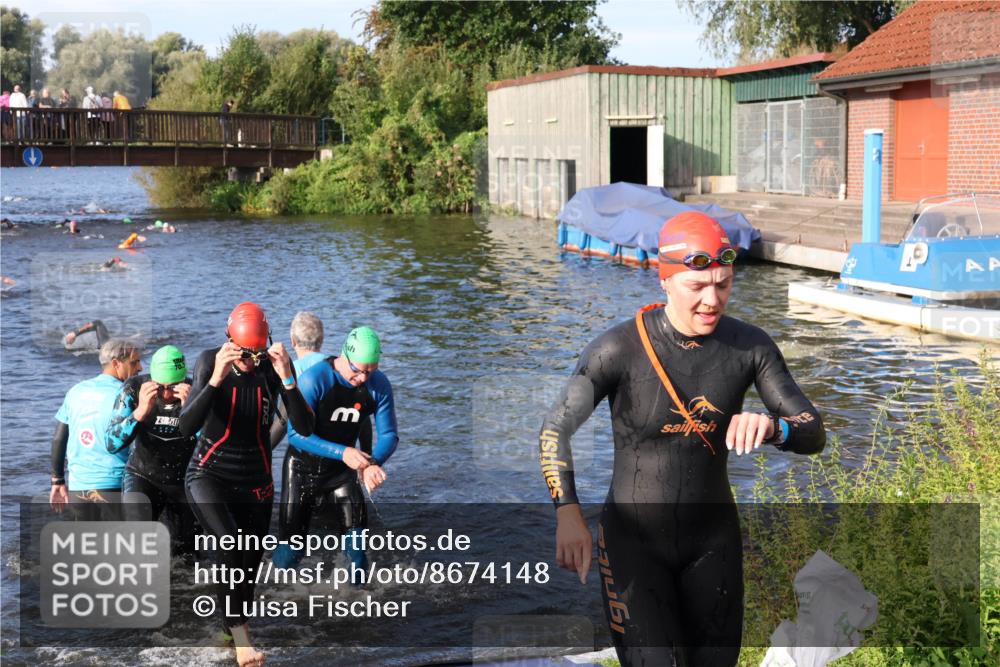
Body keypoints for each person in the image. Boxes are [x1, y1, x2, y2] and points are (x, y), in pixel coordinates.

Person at [539, 211, 826, 667]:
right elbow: (555, 430)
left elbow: (813, 431)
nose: (712, 300)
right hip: (633, 544)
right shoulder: (616, 350)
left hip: (712, 542)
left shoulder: (750, 347)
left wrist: (775, 427)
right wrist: (568, 513)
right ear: (665, 280)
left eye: (724, 284)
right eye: (697, 287)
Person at [179, 302, 314, 667]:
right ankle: (242, 640)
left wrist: (288, 378)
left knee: (248, 567)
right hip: (208, 475)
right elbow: (185, 426)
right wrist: (215, 380)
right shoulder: (211, 361)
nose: (249, 362)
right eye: (242, 354)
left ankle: (229, 626)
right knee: (228, 545)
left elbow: (304, 426)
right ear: (229, 342)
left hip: (256, 482)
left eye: (255, 354)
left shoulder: (271, 369)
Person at [272, 326, 398, 572]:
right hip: (301, 471)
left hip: (342, 474)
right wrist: (345, 452)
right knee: (291, 554)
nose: (363, 378)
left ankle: (362, 605)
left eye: (370, 371)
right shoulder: (316, 379)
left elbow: (390, 434)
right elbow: (296, 435)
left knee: (358, 554)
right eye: (358, 370)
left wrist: (372, 463)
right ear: (344, 356)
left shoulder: (379, 385)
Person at [107, 345, 197, 555]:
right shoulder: (134, 388)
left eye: (173, 387)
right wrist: (139, 412)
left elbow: (212, 443)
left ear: (184, 380)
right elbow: (111, 444)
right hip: (143, 474)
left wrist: (191, 411)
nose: (166, 394)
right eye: (160, 387)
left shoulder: (196, 391)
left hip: (183, 480)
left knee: (186, 555)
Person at [50, 339, 143, 520]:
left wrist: (57, 480)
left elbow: (59, 438)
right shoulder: (128, 394)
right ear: (116, 363)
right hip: (115, 485)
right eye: (134, 362)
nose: (140, 368)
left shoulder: (76, 391)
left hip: (79, 487)